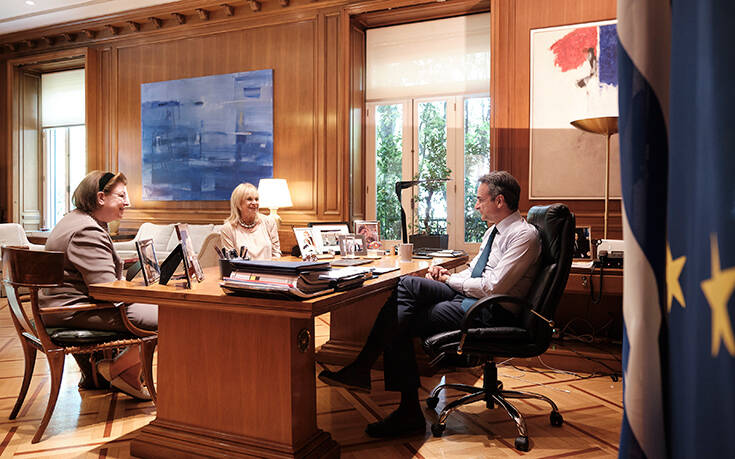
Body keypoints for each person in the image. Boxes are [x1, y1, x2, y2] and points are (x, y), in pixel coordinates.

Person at [318, 171, 541, 437]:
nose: (475, 205)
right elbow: (473, 272)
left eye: (480, 200)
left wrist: (450, 280)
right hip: (472, 298)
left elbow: (493, 287)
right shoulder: (494, 231)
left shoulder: (523, 236)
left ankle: (389, 394)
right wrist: (447, 275)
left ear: (500, 201)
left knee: (400, 319)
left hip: (489, 311)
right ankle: (367, 373)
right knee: (407, 285)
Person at [40, 171, 158, 400]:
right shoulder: (87, 230)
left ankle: (127, 374)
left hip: (64, 307)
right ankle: (116, 370)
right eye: (121, 196)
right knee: (173, 316)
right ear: (101, 197)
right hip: (74, 311)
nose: (128, 202)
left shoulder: (75, 220)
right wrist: (146, 292)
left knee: (161, 311)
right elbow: (106, 290)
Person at [220, 182, 281, 260]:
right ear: (238, 203)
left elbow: (276, 255)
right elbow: (231, 261)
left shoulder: (269, 222)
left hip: (269, 267)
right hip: (242, 268)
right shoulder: (227, 229)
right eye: (249, 199)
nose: (255, 203)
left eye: (256, 199)